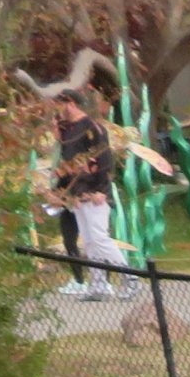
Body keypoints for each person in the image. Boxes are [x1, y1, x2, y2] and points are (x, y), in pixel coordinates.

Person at [49, 92, 131, 299]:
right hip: (77, 194)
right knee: (89, 241)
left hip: (95, 191)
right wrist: (61, 193)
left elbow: (104, 158)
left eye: (59, 105)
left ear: (70, 103)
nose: (57, 111)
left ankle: (130, 278)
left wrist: (102, 190)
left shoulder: (92, 127)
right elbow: (66, 165)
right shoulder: (67, 131)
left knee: (100, 237)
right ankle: (98, 285)